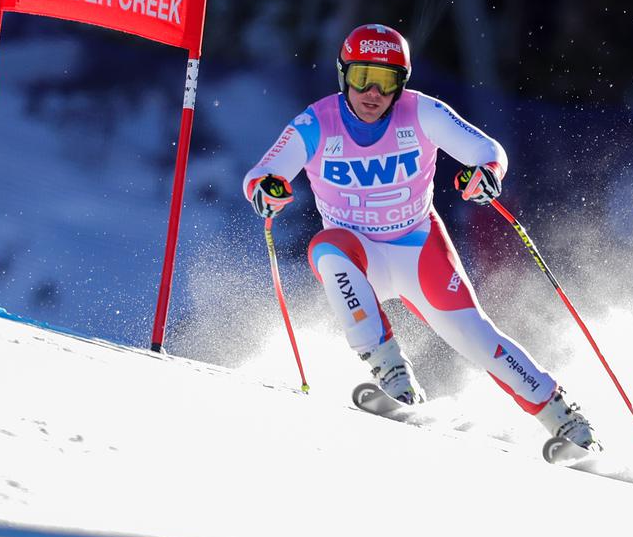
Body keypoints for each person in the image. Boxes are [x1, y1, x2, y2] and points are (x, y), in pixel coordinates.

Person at [243, 24, 597, 449]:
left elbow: (488, 152)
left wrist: (487, 174)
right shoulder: (318, 122)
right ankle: (394, 376)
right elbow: (263, 172)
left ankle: (568, 421)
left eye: (386, 81)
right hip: (360, 258)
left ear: (401, 85)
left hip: (418, 250)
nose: (372, 93)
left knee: (477, 338)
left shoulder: (421, 112)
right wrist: (265, 187)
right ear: (343, 76)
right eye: (361, 78)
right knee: (326, 249)